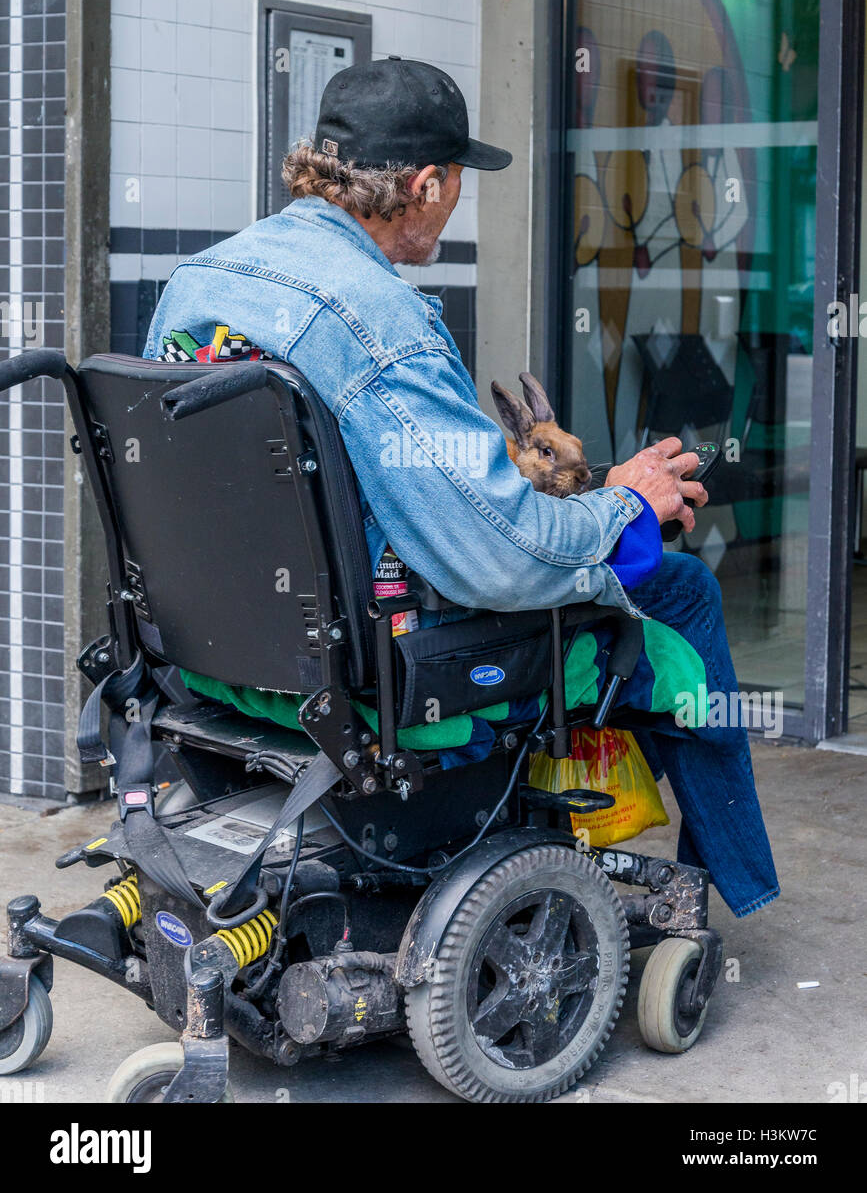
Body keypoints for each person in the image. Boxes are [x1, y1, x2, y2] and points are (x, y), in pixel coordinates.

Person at [145, 56, 778, 917]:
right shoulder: (379, 320)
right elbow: (497, 557)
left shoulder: (200, 282)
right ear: (426, 183)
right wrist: (625, 503)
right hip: (384, 653)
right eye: (455, 186)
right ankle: (708, 890)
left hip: (215, 646)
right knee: (687, 591)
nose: (454, 203)